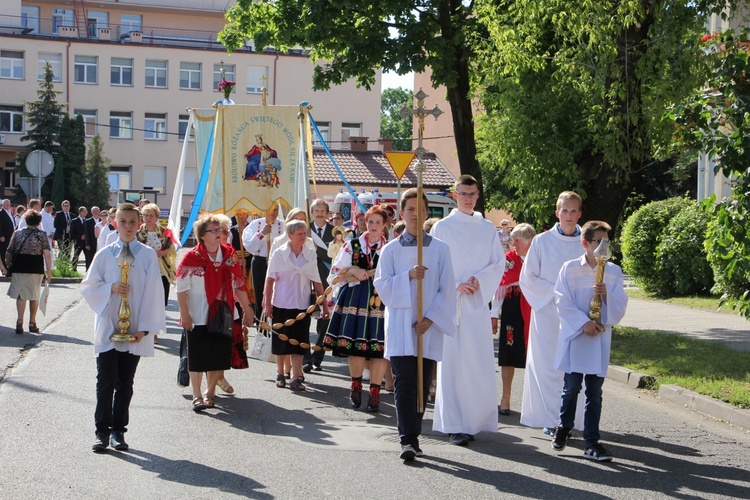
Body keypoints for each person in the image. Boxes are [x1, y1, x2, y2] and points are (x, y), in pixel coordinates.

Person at [373, 188, 457, 462]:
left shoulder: (440, 250)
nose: (414, 214)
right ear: (401, 213)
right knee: (404, 382)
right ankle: (407, 439)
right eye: (409, 209)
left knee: (421, 384)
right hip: (400, 325)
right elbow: (382, 286)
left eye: (420, 209)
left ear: (425, 213)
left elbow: (448, 289)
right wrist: (408, 276)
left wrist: (430, 319)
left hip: (427, 327)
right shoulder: (391, 250)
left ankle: (413, 432)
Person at [79, 203, 166, 452]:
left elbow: (153, 293)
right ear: (115, 224)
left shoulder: (147, 255)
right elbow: (88, 286)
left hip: (134, 328)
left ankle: (119, 430)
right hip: (108, 326)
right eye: (123, 222)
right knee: (105, 380)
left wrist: (146, 330)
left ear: (139, 224)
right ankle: (101, 431)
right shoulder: (104, 254)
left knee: (125, 382)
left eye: (132, 222)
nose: (128, 227)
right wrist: (110, 288)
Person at [430, 175, 505, 447]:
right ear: (454, 195)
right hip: (451, 303)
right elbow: (434, 264)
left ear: (477, 195)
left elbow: (498, 263)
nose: (468, 198)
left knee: (475, 362)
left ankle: (474, 420)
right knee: (451, 364)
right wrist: (455, 284)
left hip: (475, 306)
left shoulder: (487, 229)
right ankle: (454, 424)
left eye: (472, 194)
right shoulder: (442, 228)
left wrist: (479, 280)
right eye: (463, 193)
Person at [551, 221, 628, 462]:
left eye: (607, 242)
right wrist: (583, 322)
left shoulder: (613, 271)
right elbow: (562, 300)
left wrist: (607, 297)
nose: (603, 247)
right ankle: (564, 426)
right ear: (585, 243)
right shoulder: (570, 268)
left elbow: (620, 304)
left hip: (599, 338)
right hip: (577, 336)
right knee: (571, 387)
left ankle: (592, 441)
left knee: (594, 391)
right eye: (598, 242)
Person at [519, 191, 586, 434]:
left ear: (580, 214)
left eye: (573, 211)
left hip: (577, 315)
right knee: (549, 367)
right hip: (547, 312)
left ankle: (572, 421)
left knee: (575, 368)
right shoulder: (541, 241)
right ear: (557, 213)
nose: (568, 215)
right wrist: (556, 294)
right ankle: (550, 420)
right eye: (564, 211)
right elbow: (527, 278)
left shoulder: (587, 243)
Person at [176, 214, 254, 412]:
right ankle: (197, 395)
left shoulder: (229, 255)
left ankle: (210, 393)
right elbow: (181, 289)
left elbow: (238, 284)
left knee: (218, 355)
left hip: (223, 313)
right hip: (198, 315)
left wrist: (247, 308)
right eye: (214, 230)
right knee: (197, 356)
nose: (220, 233)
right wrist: (184, 314)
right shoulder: (191, 258)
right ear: (202, 235)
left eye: (221, 230)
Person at [324, 205, 389, 412]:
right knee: (356, 345)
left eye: (378, 222)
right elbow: (335, 272)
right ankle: (356, 386)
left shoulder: (390, 248)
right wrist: (354, 269)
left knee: (380, 348)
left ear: (385, 225)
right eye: (370, 222)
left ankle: (375, 393)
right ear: (364, 223)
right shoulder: (352, 245)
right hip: (355, 298)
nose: (373, 226)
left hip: (382, 300)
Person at [264, 220, 329, 391]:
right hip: (281, 303)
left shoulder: (310, 254)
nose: (303, 236)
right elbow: (269, 281)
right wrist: (267, 304)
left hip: (302, 305)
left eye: (304, 233)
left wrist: (325, 306)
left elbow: (317, 282)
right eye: (299, 233)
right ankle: (280, 373)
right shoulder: (279, 254)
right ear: (290, 235)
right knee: (281, 341)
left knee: (300, 342)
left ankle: (295, 377)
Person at [496, 223, 536, 415]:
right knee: (508, 353)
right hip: (512, 307)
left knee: (535, 354)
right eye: (512, 239)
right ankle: (505, 398)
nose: (513, 243)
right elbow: (501, 285)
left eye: (517, 240)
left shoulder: (538, 258)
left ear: (529, 242)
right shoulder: (509, 258)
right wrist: (493, 314)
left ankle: (534, 401)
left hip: (534, 308)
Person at [3, 209, 52, 335]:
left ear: (26, 220)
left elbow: (9, 251)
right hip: (35, 266)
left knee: (21, 295)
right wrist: (49, 272)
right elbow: (47, 254)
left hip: (19, 265)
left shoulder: (17, 233)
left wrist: (7, 266)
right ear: (39, 221)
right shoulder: (41, 234)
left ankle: (19, 321)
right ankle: (32, 322)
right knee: (34, 295)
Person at [304, 198, 335, 372]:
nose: (320, 213)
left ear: (327, 213)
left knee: (324, 319)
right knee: (304, 319)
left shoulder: (335, 231)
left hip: (326, 280)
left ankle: (318, 356)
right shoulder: (304, 229)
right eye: (316, 210)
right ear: (312, 212)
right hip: (305, 279)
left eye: (323, 210)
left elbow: (335, 256)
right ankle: (306, 357)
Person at [242, 205, 285, 320]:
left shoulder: (283, 225)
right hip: (260, 262)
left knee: (278, 292)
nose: (272, 213)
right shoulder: (254, 225)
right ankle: (261, 324)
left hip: (277, 263)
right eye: (270, 209)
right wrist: (261, 234)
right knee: (260, 292)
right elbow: (249, 246)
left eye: (275, 210)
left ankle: (277, 322)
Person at [83, 206, 100, 271]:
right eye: (94, 211)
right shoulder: (88, 221)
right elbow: (86, 233)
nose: (95, 212)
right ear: (91, 212)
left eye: (97, 211)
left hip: (100, 242)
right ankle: (89, 270)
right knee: (90, 258)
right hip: (91, 242)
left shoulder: (102, 220)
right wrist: (87, 244)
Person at [0, 199, 15, 269]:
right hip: (5, 236)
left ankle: (8, 266)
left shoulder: (10, 212)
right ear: (2, 205)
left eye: (8, 204)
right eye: (6, 204)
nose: (8, 205)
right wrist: (1, 235)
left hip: (10, 236)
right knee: (3, 251)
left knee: (9, 251)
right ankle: (4, 267)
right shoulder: (1, 212)